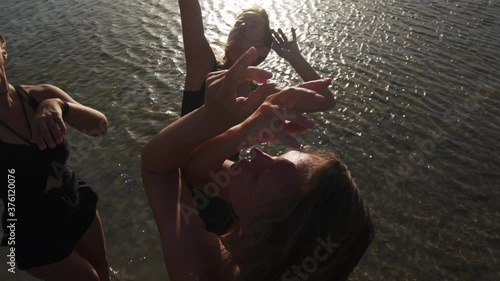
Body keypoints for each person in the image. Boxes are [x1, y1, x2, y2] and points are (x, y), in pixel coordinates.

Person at [142, 47, 374, 281]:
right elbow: (195, 170)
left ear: (268, 235)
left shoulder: (203, 270)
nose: (257, 154)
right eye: (276, 157)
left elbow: (160, 170)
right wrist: (242, 132)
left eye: (262, 174)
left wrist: (212, 119)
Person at [178, 0, 337, 234]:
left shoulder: (262, 97)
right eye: (239, 22)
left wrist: (295, 57)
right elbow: (189, 7)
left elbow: (326, 100)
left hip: (224, 187)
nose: (242, 26)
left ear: (263, 50)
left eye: (252, 26)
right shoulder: (203, 69)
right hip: (183, 180)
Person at [0, 33, 110, 281]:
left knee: (102, 266)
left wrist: (60, 105)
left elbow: (100, 128)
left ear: (3, 49)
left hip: (74, 198)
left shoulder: (39, 95)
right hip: (30, 227)